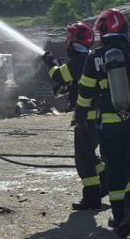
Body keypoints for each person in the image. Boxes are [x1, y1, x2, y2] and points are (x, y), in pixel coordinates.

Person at [75, 9, 130, 238]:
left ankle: (119, 214)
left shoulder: (94, 58)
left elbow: (85, 92)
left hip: (109, 128)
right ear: (122, 28)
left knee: (114, 171)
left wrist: (81, 117)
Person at [41, 21, 105, 210]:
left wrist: (49, 62)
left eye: (69, 37)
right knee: (90, 156)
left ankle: (92, 198)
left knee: (84, 160)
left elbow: (58, 75)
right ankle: (107, 181)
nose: (67, 41)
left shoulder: (79, 61)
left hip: (87, 118)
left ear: (75, 39)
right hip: (97, 117)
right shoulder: (90, 58)